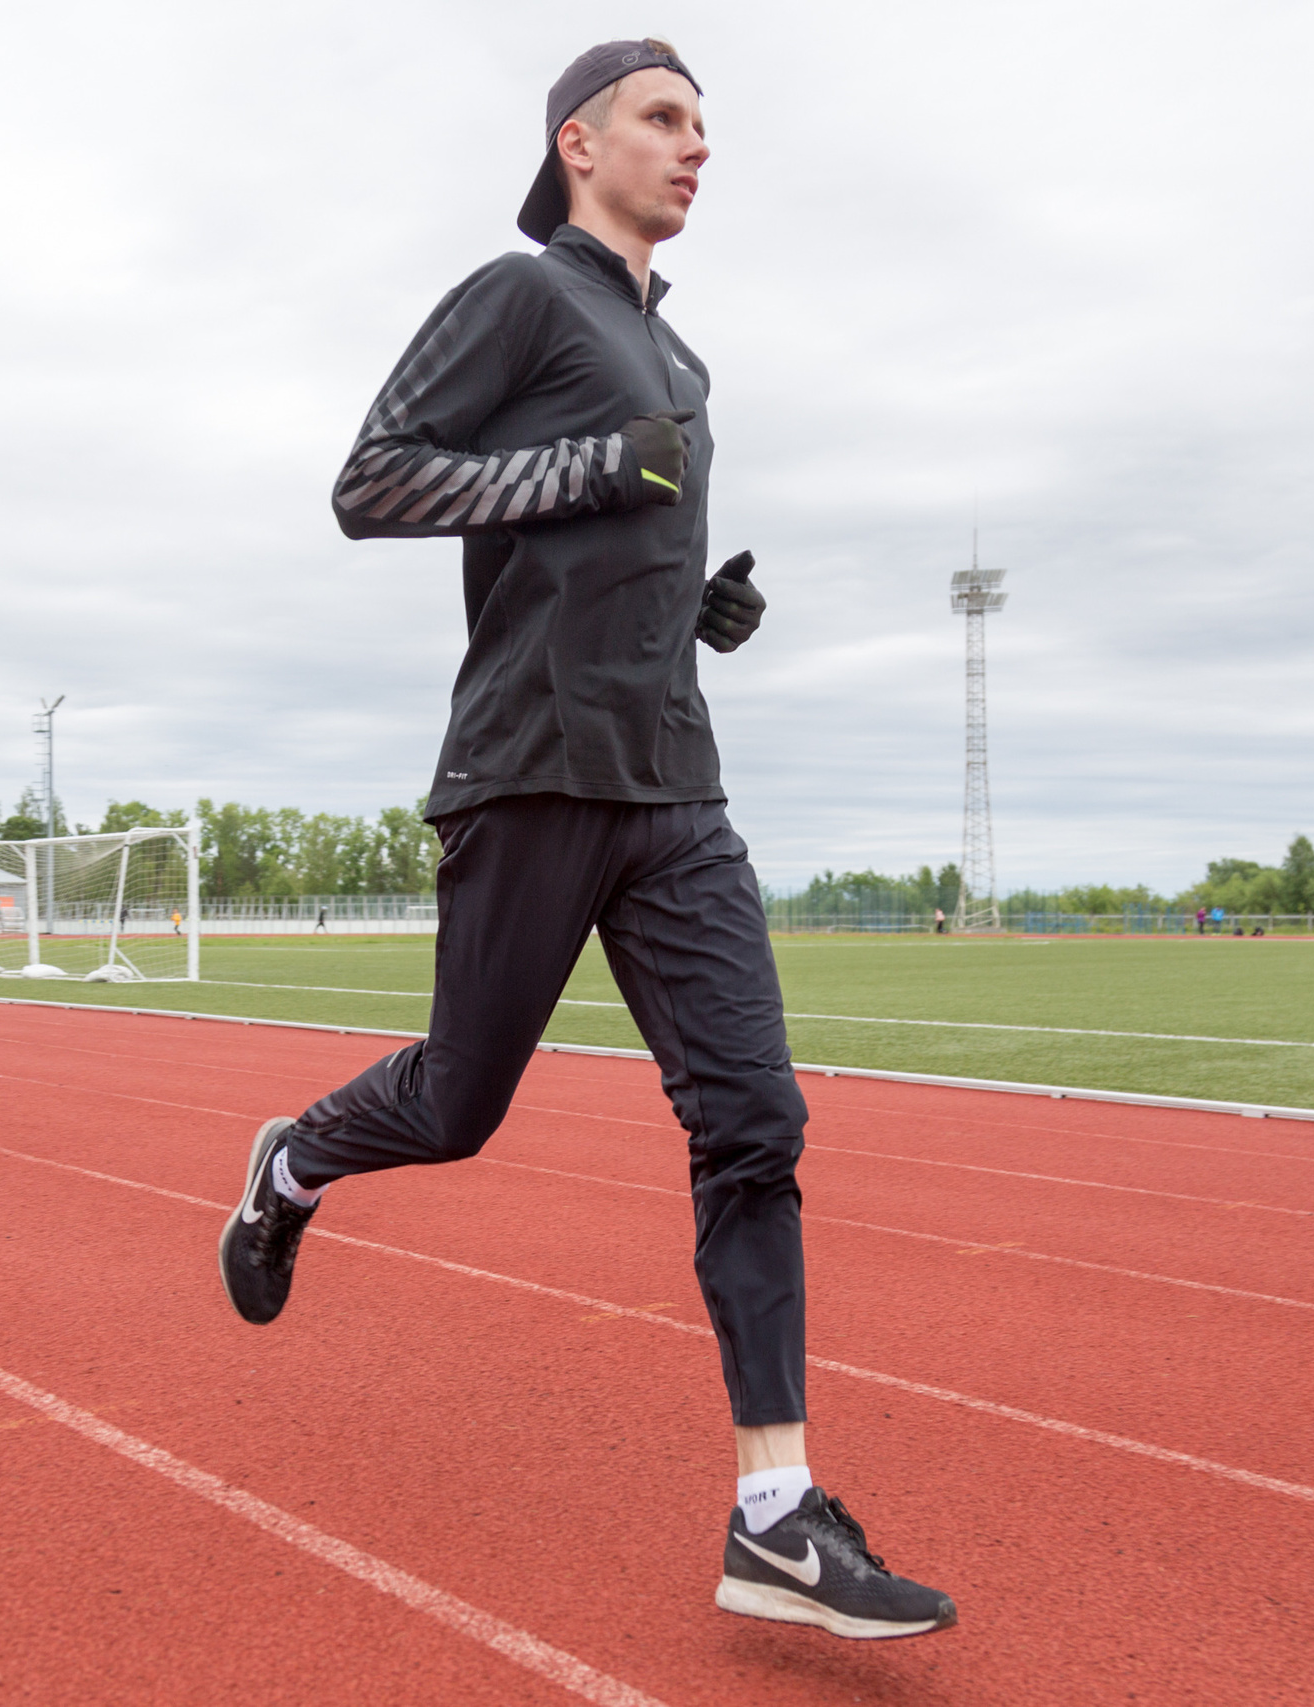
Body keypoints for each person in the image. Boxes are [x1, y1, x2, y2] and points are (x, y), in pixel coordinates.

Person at [215, 39, 955, 1641]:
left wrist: (699, 615)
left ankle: (776, 1517)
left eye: (705, 126)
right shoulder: (520, 296)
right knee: (457, 1106)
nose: (698, 147)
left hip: (673, 783)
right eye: (665, 119)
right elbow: (371, 484)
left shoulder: (681, 362)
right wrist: (600, 467)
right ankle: (294, 1161)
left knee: (755, 1119)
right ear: (579, 143)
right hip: (530, 770)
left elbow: (614, 555)